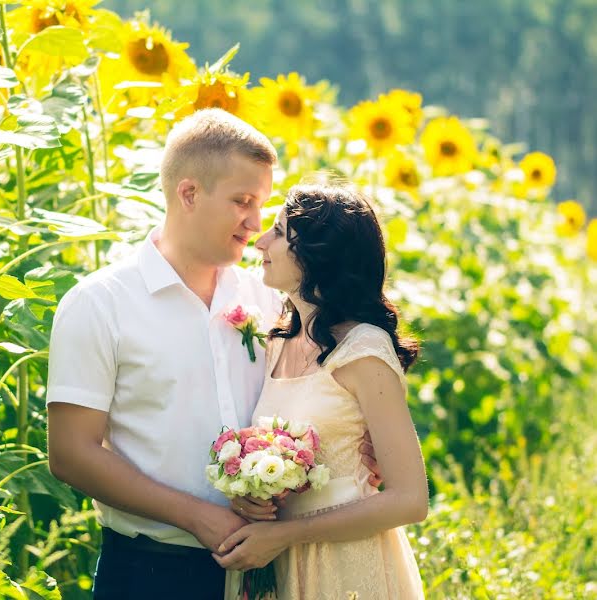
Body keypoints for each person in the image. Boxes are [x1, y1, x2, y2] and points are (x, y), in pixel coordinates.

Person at [46, 110, 381, 600]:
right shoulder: (99, 303)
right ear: (189, 194)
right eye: (242, 202)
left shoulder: (272, 300)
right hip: (150, 573)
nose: (254, 223)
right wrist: (197, 516)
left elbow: (321, 396)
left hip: (270, 569)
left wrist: (361, 445)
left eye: (261, 205)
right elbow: (71, 454)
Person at [216, 182, 428, 599]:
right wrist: (251, 499)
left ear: (319, 254)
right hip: (276, 564)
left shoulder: (363, 349)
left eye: (278, 231)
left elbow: (410, 500)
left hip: (344, 566)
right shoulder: (277, 341)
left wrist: (287, 535)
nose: (261, 241)